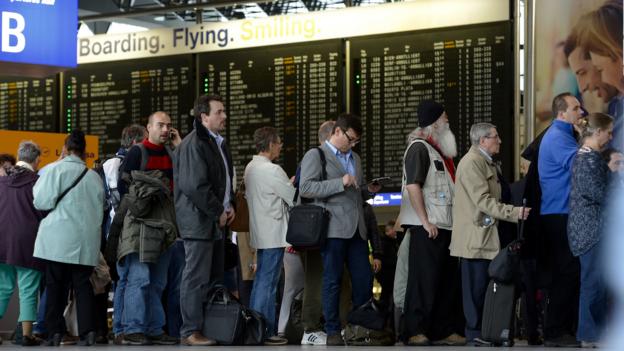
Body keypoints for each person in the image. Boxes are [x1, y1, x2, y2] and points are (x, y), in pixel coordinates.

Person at [298, 113, 378, 345]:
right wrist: (339, 182)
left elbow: (354, 194)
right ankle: (332, 329)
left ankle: (358, 328)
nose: (352, 145)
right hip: (332, 228)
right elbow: (305, 187)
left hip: (357, 229)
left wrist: (368, 191)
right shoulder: (316, 155)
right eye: (350, 139)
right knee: (331, 280)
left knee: (363, 280)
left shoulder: (356, 159)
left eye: (356, 142)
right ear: (337, 132)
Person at [450, 123, 530, 345]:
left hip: (489, 238)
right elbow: (483, 201)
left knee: (488, 291)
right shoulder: (471, 163)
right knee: (475, 292)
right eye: (495, 137)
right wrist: (515, 212)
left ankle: (490, 332)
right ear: (482, 140)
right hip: (476, 240)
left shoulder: (488, 163)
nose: (500, 141)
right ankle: (475, 335)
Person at [396, 100, 464, 346]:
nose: (447, 121)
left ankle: (443, 329)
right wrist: (424, 222)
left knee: (445, 281)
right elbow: (413, 185)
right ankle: (415, 330)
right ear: (435, 122)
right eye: (444, 118)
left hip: (446, 225)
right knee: (423, 280)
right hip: (428, 226)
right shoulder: (419, 148)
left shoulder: (439, 152)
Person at [113, 112, 181, 346]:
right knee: (139, 278)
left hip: (164, 226)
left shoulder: (173, 153)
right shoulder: (137, 152)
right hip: (140, 225)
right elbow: (123, 187)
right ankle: (133, 328)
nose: (165, 130)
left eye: (168, 126)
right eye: (160, 125)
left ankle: (153, 328)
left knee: (158, 281)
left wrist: (179, 146)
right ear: (148, 127)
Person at [32, 131, 104, 346]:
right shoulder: (93, 176)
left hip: (57, 240)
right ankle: (88, 332)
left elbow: (41, 202)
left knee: (55, 286)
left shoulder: (53, 170)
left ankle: (54, 332)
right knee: (83, 286)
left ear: (64, 149)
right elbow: (100, 211)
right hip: (85, 241)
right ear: (84, 152)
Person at [174, 94, 235, 346]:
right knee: (195, 277)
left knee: (211, 278)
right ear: (203, 117)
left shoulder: (217, 142)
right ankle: (190, 330)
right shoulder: (194, 143)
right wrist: (217, 211)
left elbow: (222, 182)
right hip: (199, 222)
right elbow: (195, 186)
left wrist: (230, 206)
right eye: (219, 112)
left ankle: (206, 327)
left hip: (214, 221)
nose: (224, 116)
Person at [538, 92, 584, 347]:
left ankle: (562, 328)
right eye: (576, 108)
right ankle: (556, 331)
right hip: (559, 214)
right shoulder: (558, 138)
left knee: (567, 272)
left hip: (560, 213)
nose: (581, 113)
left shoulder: (563, 136)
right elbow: (581, 165)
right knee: (567, 273)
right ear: (562, 113)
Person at [244, 127, 296, 345]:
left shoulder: (250, 167)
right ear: (271, 144)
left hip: (260, 232)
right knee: (269, 284)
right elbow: (292, 198)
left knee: (260, 283)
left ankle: (255, 329)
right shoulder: (272, 170)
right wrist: (292, 184)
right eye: (279, 142)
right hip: (274, 233)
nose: (281, 146)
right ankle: (265, 331)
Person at [568, 113, 614, 348]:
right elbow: (598, 193)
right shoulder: (588, 160)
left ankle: (596, 332)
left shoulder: (590, 157)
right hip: (590, 229)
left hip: (591, 227)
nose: (611, 136)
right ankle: (588, 334)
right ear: (597, 133)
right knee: (592, 283)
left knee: (597, 283)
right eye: (609, 131)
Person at [0, 141, 44, 346]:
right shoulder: (37, 181)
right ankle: (26, 334)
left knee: (3, 287)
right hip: (28, 241)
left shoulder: (2, 181)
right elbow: (44, 210)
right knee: (28, 287)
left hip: (2, 240)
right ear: (36, 160)